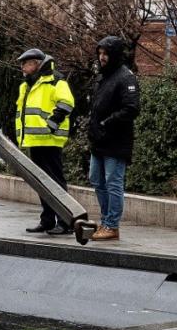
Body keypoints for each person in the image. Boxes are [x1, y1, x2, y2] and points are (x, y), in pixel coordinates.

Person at [13, 48, 76, 236]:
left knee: (55, 182)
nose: (23, 67)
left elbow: (67, 103)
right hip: (35, 139)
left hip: (49, 139)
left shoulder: (55, 80)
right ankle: (47, 220)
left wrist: (52, 124)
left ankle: (66, 222)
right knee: (41, 182)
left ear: (37, 64)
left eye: (26, 63)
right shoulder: (27, 85)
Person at [88, 36, 140, 241]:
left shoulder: (125, 77)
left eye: (106, 54)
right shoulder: (103, 76)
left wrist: (106, 123)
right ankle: (106, 221)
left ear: (115, 55)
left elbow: (131, 108)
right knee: (96, 179)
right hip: (99, 140)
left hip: (116, 140)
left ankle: (111, 224)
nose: (102, 57)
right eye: (100, 53)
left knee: (113, 182)